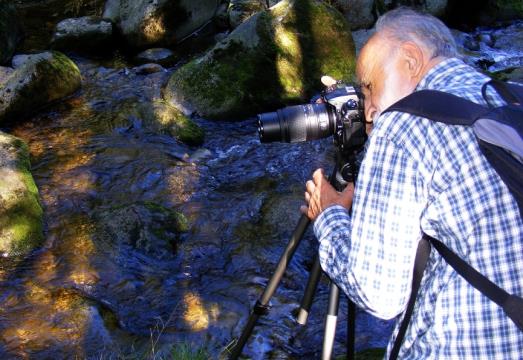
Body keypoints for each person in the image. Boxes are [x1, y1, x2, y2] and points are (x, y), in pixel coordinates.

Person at [300, 7, 523, 358]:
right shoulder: (512, 96)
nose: (369, 110)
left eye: (370, 87)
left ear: (410, 59)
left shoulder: (404, 125)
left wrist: (329, 216)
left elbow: (379, 295)